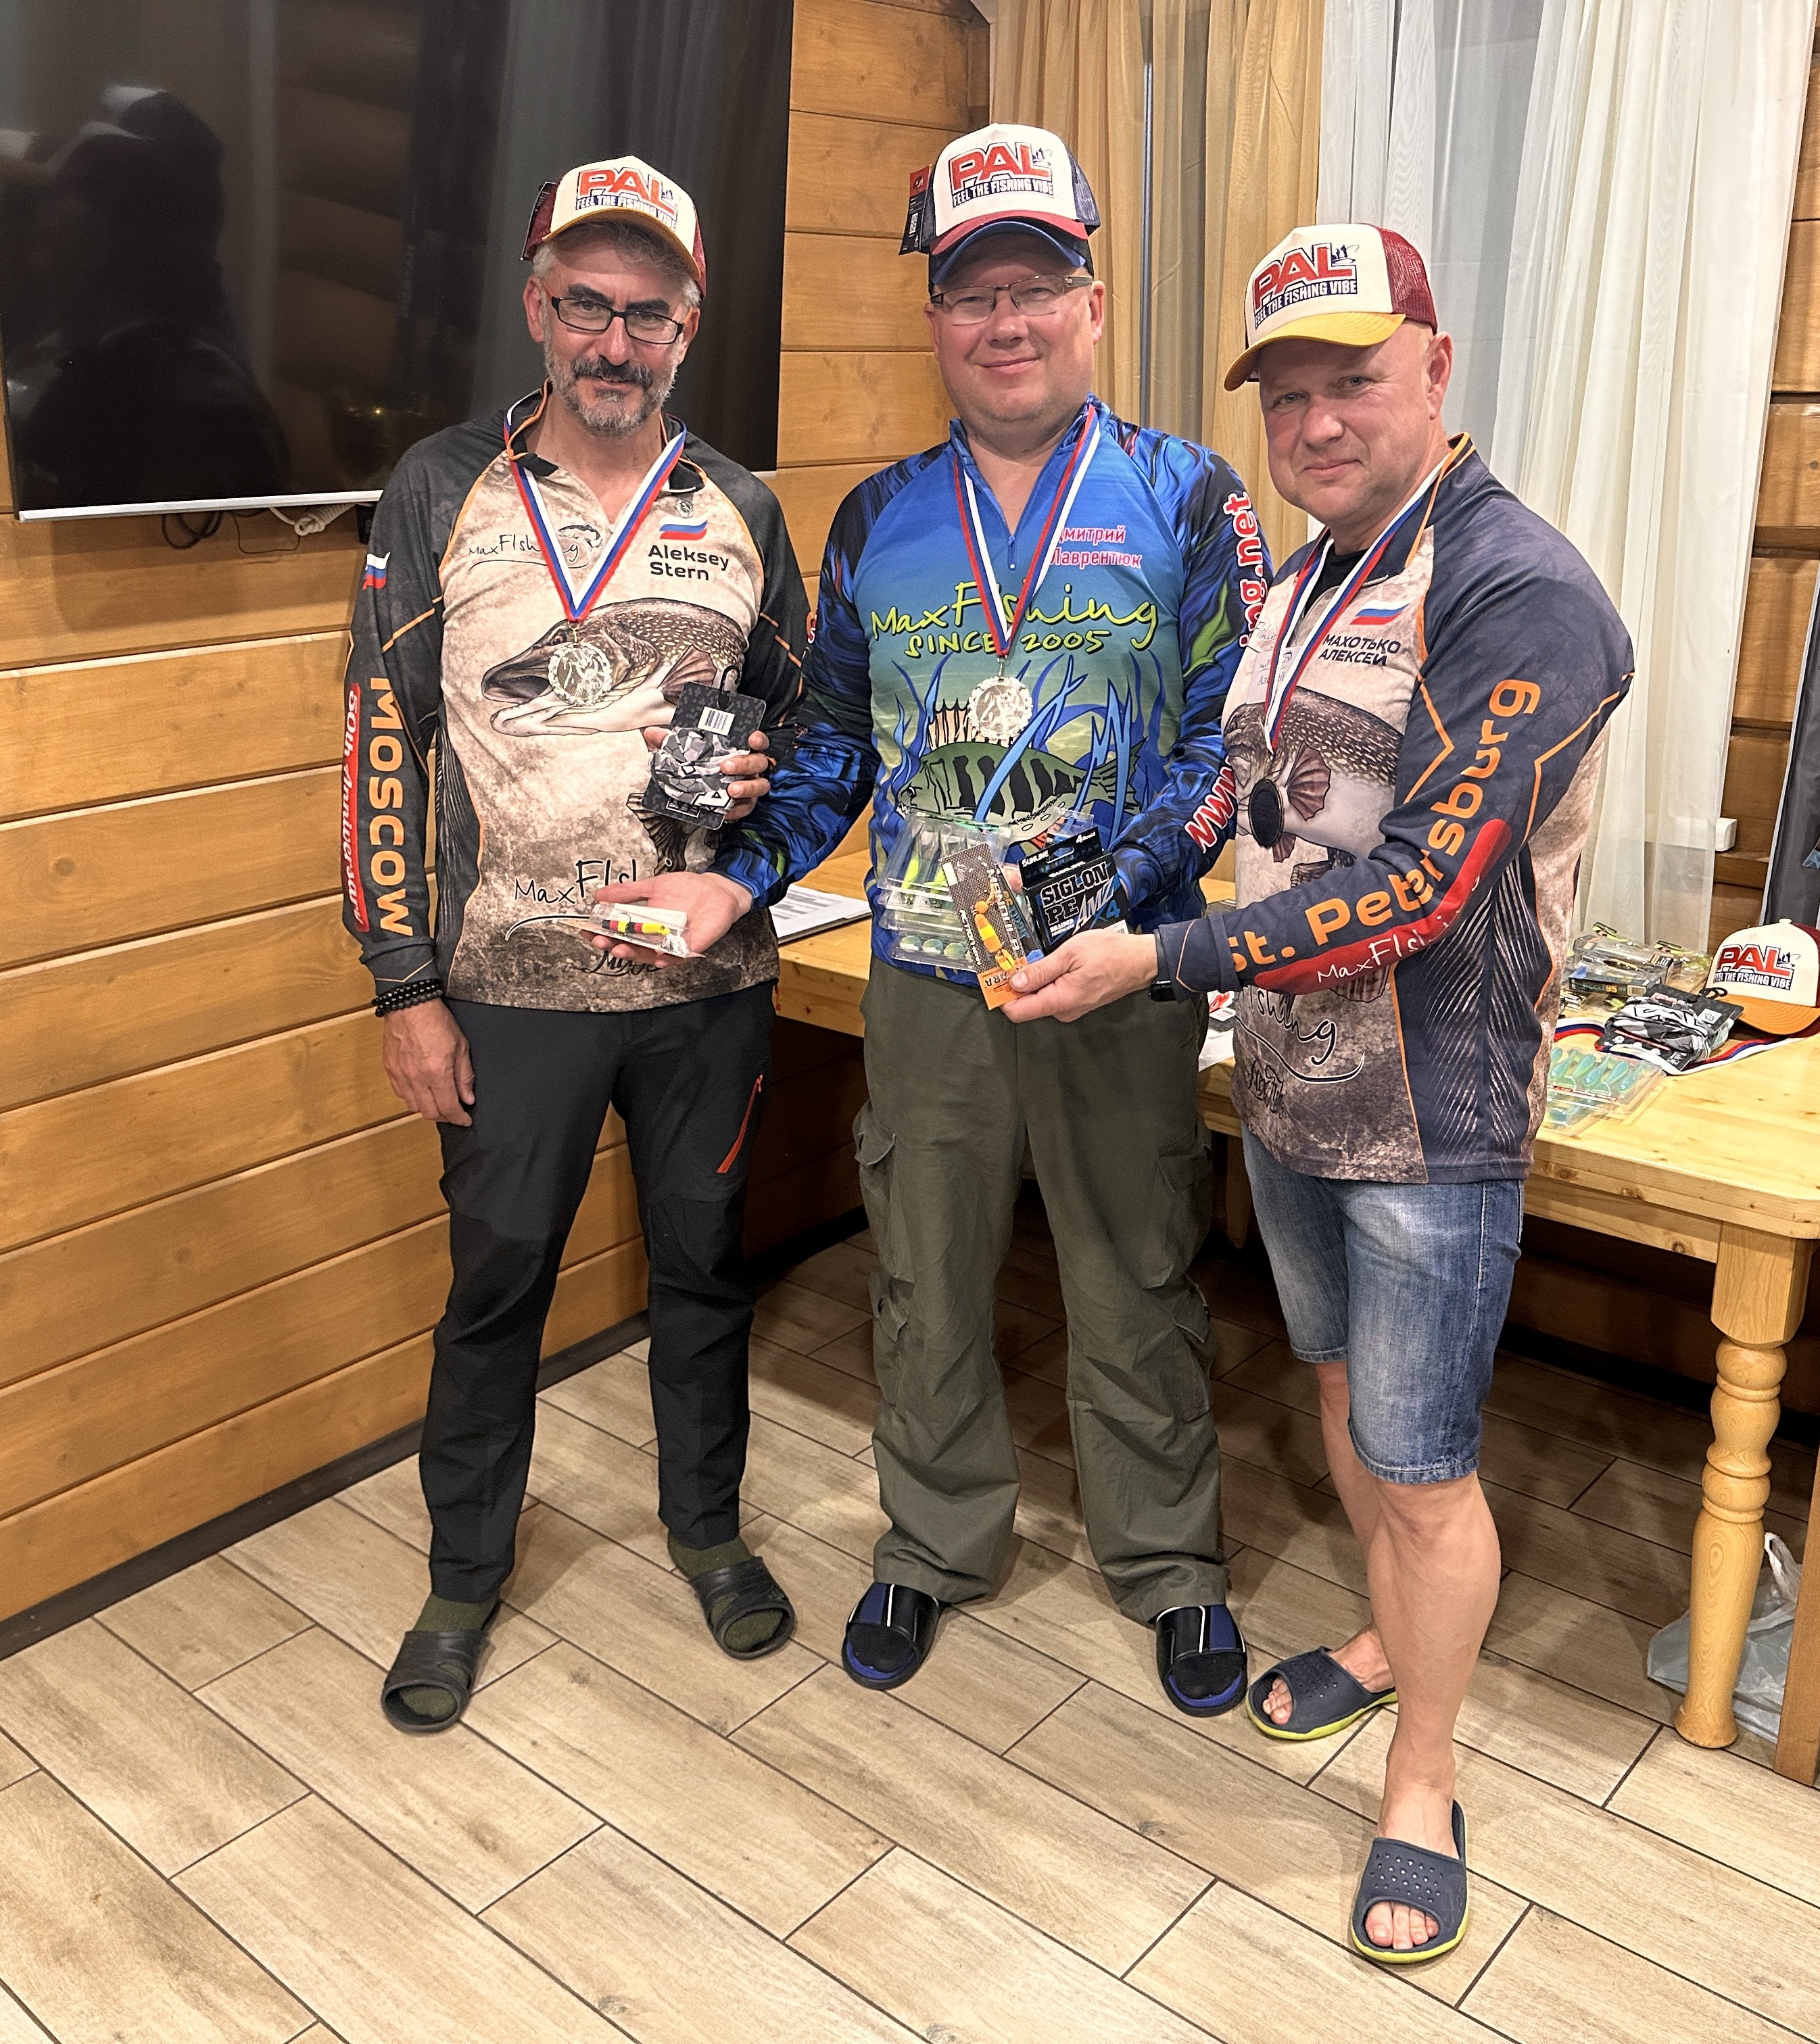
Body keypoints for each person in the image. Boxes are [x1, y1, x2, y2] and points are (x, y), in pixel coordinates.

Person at [1001, 223, 1632, 1964]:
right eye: (1286, 394)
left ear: (1437, 366)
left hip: (1437, 1118)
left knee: (1425, 1471)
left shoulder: (1521, 590)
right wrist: (1083, 889)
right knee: (1349, 1407)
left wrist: (1157, 959)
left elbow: (1422, 888)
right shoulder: (1304, 580)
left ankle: (1424, 1777)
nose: (1317, 421)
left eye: (1352, 379)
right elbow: (1234, 798)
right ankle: (1382, 1642)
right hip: (1289, 1089)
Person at [600, 124, 1267, 1712]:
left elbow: (1228, 746)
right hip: (923, 974)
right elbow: (836, 742)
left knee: (1136, 1273)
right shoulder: (878, 518)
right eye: (974, 293)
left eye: (1037, 287)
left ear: (1092, 304)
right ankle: (934, 1541)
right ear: (936, 320)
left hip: (1117, 971)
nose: (1006, 321)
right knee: (924, 1274)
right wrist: (736, 873)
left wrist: (1102, 903)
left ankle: (1168, 1561)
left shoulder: (1190, 496)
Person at [340, 155, 811, 1733]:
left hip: (705, 988)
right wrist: (404, 987)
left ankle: (708, 1532)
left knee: (705, 1274)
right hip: (506, 992)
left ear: (690, 326)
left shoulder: (741, 508)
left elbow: (803, 731)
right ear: (538, 306)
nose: (616, 342)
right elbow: (380, 747)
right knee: (496, 1291)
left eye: (648, 315)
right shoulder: (438, 488)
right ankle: (463, 1574)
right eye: (587, 306)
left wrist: (755, 796)